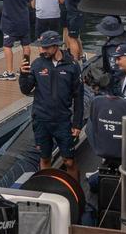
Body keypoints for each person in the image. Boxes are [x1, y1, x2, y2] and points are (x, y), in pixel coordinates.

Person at [19, 30, 84, 181]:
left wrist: (77, 123)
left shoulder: (72, 66)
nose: (42, 50)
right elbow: (26, 90)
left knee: (69, 161)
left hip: (62, 121)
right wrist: (23, 75)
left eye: (46, 47)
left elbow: (78, 97)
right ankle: (46, 189)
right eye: (41, 47)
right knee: (45, 158)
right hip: (41, 120)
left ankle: (76, 193)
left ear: (56, 46)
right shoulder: (37, 64)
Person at [0, 0, 33, 80]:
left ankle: (9, 72)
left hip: (9, 22)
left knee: (7, 46)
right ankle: (25, 69)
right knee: (26, 45)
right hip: (24, 20)